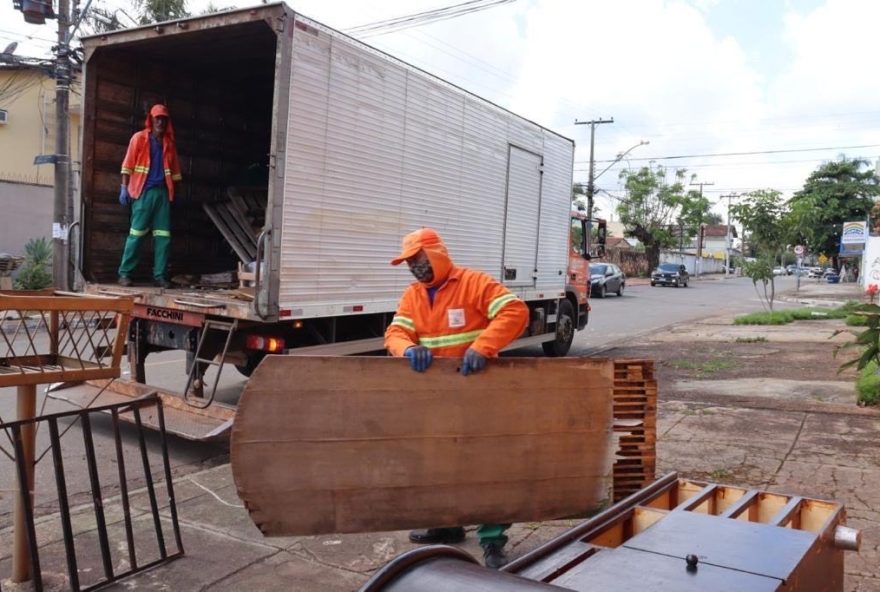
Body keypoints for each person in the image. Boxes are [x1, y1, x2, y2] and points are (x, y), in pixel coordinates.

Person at [384, 227, 529, 569]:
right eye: (410, 264)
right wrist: (408, 348)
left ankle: (492, 540)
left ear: (437, 254)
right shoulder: (413, 296)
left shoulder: (473, 283)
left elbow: (515, 312)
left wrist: (483, 346)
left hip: (478, 393)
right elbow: (395, 332)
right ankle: (447, 524)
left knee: (486, 465)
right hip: (436, 398)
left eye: (419, 260)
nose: (415, 269)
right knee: (439, 462)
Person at [117, 104, 183, 288]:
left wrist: (174, 195)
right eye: (157, 118)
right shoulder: (138, 139)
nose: (160, 121)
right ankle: (124, 273)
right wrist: (124, 187)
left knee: (163, 237)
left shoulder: (169, 144)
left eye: (163, 118)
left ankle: (160, 276)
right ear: (151, 120)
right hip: (143, 192)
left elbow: (176, 174)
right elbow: (127, 166)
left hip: (162, 194)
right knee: (136, 235)